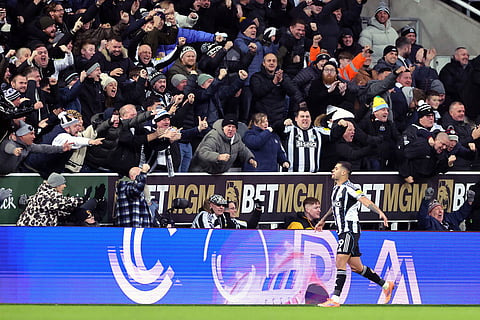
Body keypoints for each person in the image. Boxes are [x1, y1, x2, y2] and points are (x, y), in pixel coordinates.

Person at [316, 161, 394, 307]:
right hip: (342, 231)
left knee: (340, 260)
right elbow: (335, 207)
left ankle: (335, 299)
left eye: (336, 168)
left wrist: (380, 212)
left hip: (349, 230)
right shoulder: (335, 188)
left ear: (344, 173)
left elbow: (364, 200)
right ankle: (386, 285)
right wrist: (323, 220)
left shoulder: (351, 188)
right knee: (356, 267)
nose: (333, 170)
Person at [189, 115, 257, 174]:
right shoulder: (214, 136)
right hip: (201, 172)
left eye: (233, 127)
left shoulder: (236, 137)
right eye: (228, 126)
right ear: (223, 127)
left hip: (219, 173)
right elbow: (202, 152)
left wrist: (250, 159)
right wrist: (218, 157)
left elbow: (243, 149)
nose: (230, 129)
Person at [16, 172, 84, 226]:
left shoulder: (45, 194)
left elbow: (60, 212)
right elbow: (61, 203)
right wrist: (82, 200)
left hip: (37, 232)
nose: (64, 186)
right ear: (57, 185)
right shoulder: (45, 196)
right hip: (28, 232)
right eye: (63, 183)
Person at [113, 164, 153, 228]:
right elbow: (136, 190)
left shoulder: (132, 187)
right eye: (139, 176)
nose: (142, 179)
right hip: (131, 229)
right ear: (132, 176)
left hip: (139, 229)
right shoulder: (125, 186)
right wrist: (143, 172)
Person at [191, 194, 262, 229]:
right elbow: (209, 233)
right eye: (218, 205)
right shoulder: (204, 215)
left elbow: (249, 226)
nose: (221, 207)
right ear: (211, 205)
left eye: (223, 205)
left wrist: (258, 210)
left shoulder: (222, 217)